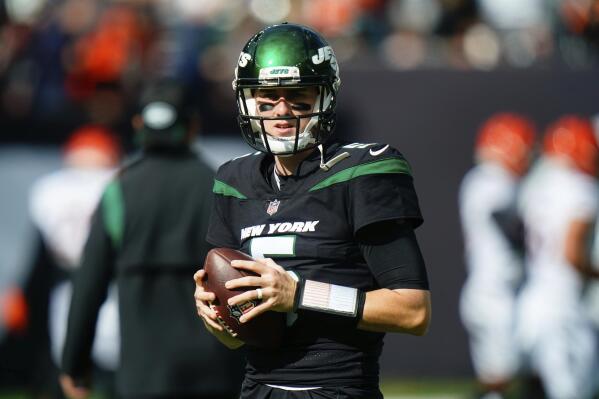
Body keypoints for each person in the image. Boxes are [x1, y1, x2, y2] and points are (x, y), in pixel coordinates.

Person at [193, 23, 431, 399]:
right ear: (247, 101)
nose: (282, 111)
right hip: (258, 389)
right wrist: (217, 317)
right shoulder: (234, 180)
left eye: (299, 96)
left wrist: (301, 293)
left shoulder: (361, 172)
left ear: (325, 97)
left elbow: (413, 312)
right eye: (267, 98)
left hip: (337, 389)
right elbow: (235, 340)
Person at [60, 81, 245, 399]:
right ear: (193, 125)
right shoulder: (219, 188)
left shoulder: (119, 192)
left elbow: (88, 285)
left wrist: (74, 365)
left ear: (137, 125)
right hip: (217, 371)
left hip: (143, 376)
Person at [26, 125, 122, 398]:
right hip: (113, 282)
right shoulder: (119, 181)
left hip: (70, 282)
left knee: (70, 366)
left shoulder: (49, 188)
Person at [516, 115, 599, 399]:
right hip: (564, 304)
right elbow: (571, 251)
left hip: (534, 298)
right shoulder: (580, 188)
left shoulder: (538, 184)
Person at [458, 113, 536, 399]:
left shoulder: (484, 179)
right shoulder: (490, 178)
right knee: (507, 378)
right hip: (496, 293)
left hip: (492, 289)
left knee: (502, 378)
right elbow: (507, 223)